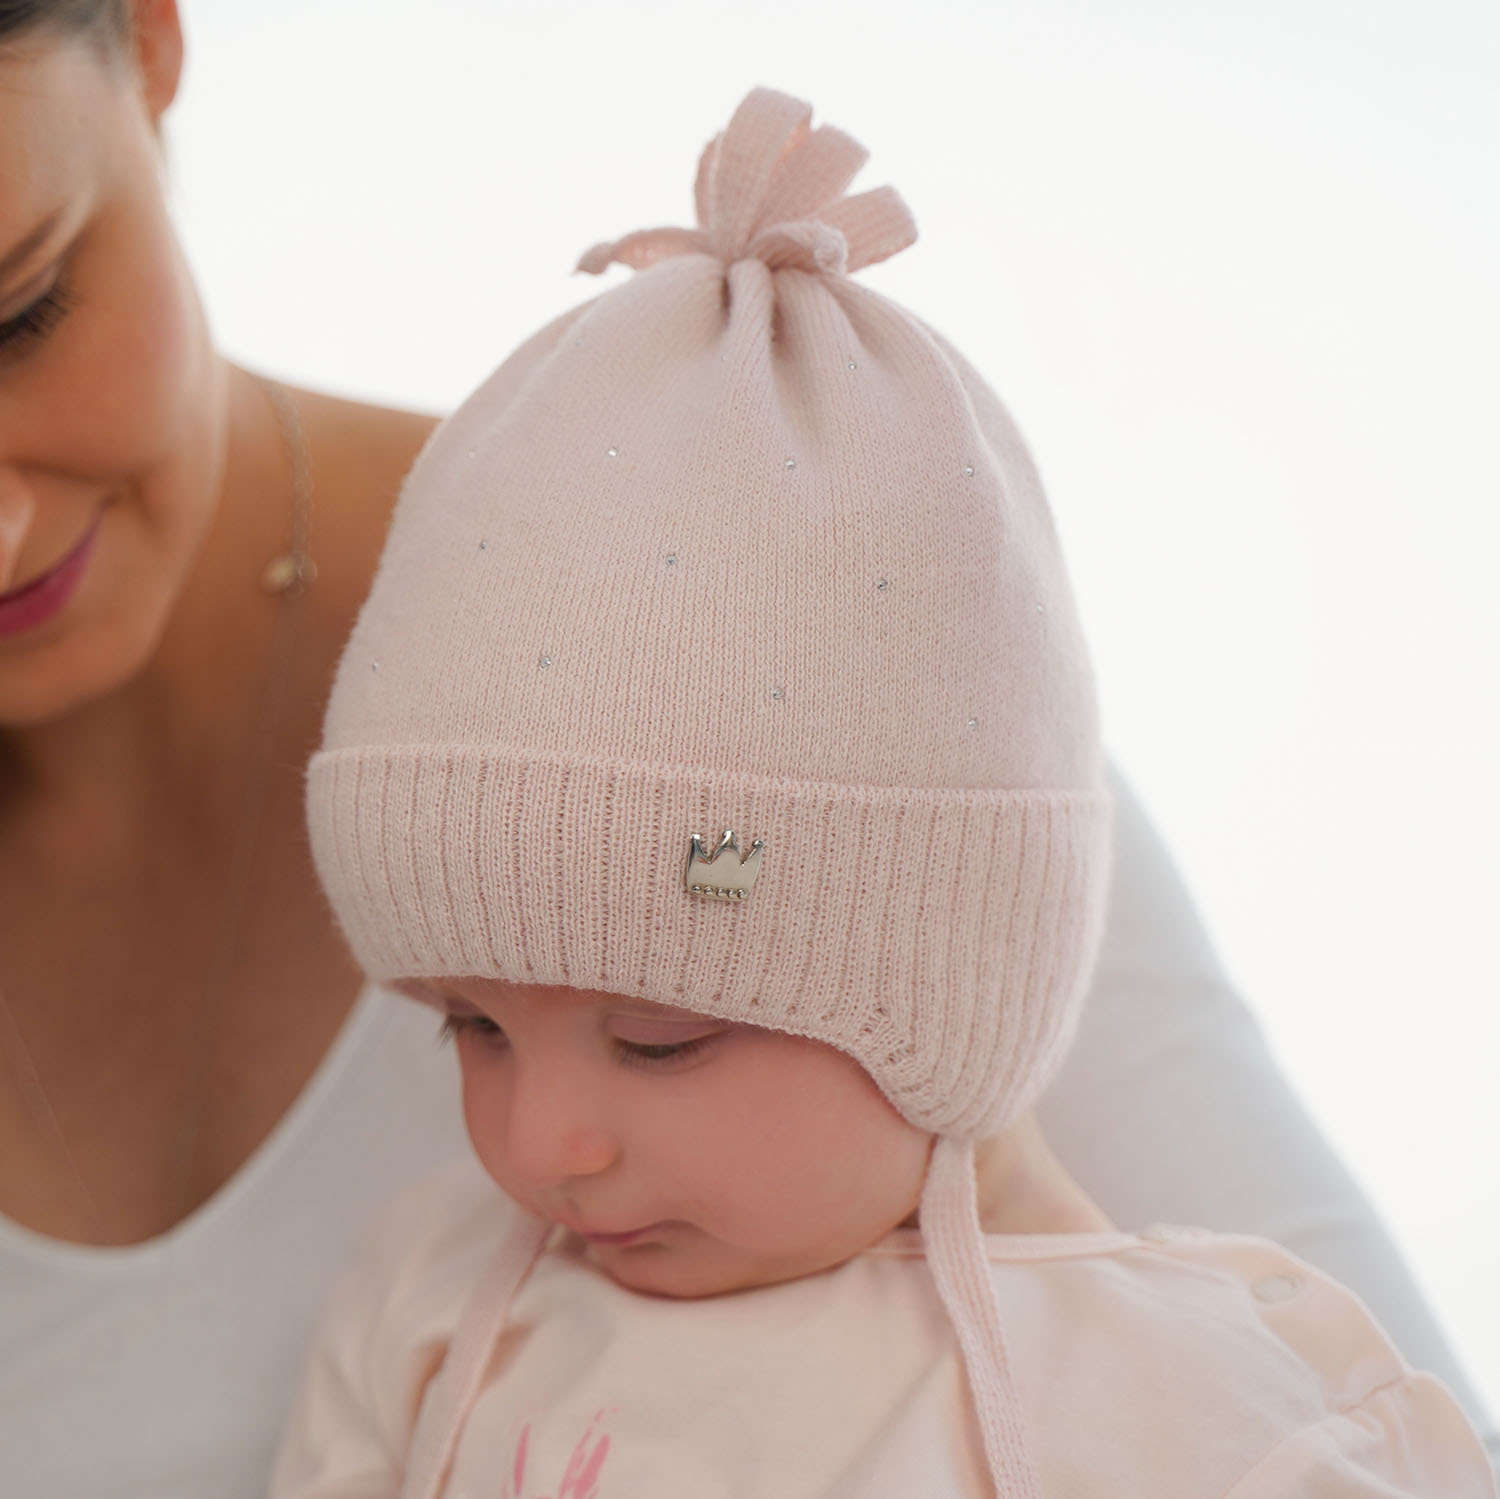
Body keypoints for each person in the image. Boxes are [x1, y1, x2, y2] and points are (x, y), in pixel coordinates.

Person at [0, 4, 1490, 1496]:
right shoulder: (442, 1319)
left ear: (147, 39)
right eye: (469, 1026)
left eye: (23, 308)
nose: (542, 1146)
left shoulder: (1206, 1415)